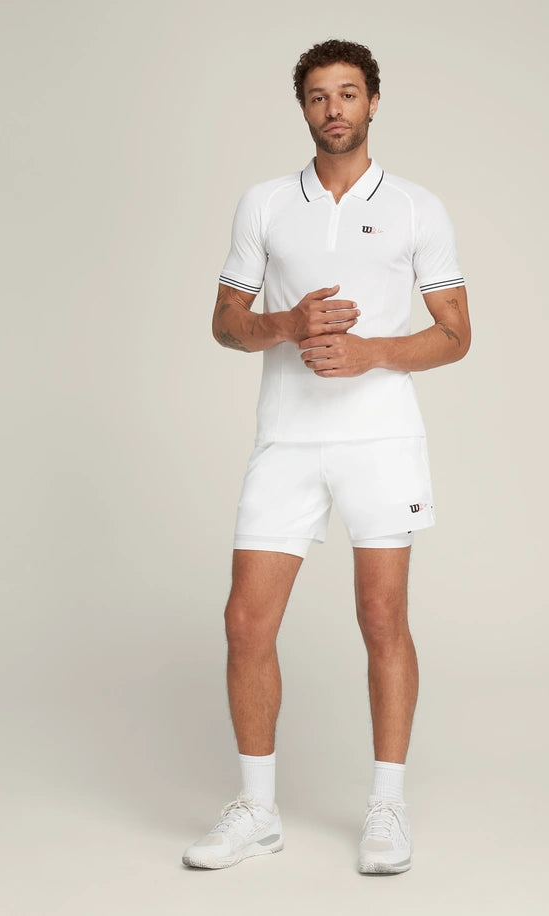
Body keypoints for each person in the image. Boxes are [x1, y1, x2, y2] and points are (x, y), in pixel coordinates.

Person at [182, 38, 470, 875]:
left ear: (373, 102)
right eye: (317, 96)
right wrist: (287, 323)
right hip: (287, 437)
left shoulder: (415, 208)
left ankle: (387, 808)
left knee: (381, 618)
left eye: (348, 93)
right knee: (245, 621)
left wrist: (371, 351)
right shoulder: (267, 204)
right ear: (303, 108)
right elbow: (226, 323)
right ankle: (257, 811)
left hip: (380, 438)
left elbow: (456, 335)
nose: (333, 108)